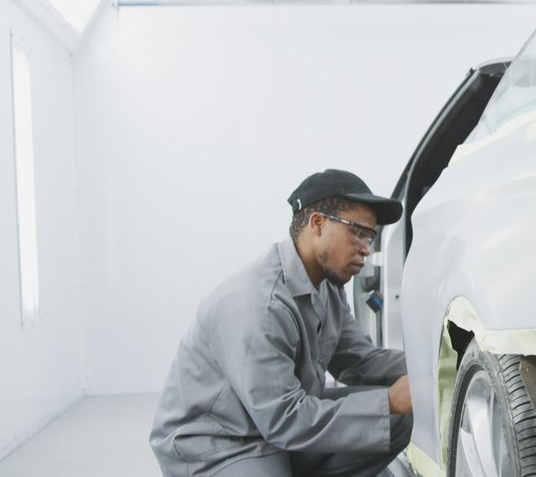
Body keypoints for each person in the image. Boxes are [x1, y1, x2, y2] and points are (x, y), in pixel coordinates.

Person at [150, 169, 412, 477]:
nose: (366, 249)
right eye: (357, 232)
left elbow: (360, 361)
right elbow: (283, 418)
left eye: (370, 236)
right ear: (317, 224)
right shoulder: (258, 305)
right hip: (221, 442)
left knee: (397, 420)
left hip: (273, 429)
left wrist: (426, 371)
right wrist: (390, 401)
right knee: (386, 409)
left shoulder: (328, 288)